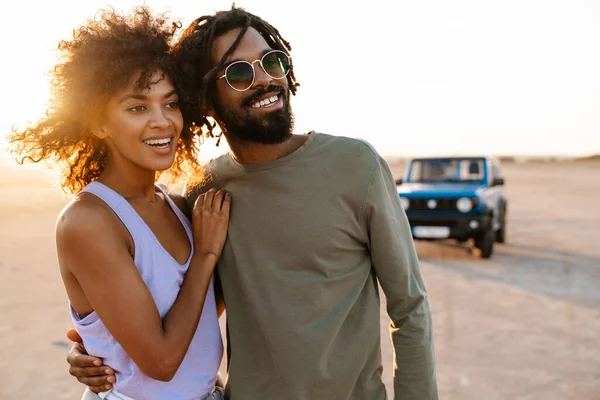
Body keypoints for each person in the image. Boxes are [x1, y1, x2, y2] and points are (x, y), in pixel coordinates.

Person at [67, 6, 438, 399]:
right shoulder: (205, 191)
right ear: (206, 101)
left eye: (272, 61)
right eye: (239, 73)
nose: (264, 80)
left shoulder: (355, 165)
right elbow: (194, 310)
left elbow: (410, 306)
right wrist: (100, 349)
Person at [10, 7, 230, 400]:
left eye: (172, 102)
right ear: (98, 122)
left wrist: (101, 343)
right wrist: (206, 254)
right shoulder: (88, 222)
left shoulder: (178, 206)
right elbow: (161, 364)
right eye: (137, 107)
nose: (162, 121)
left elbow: (193, 317)